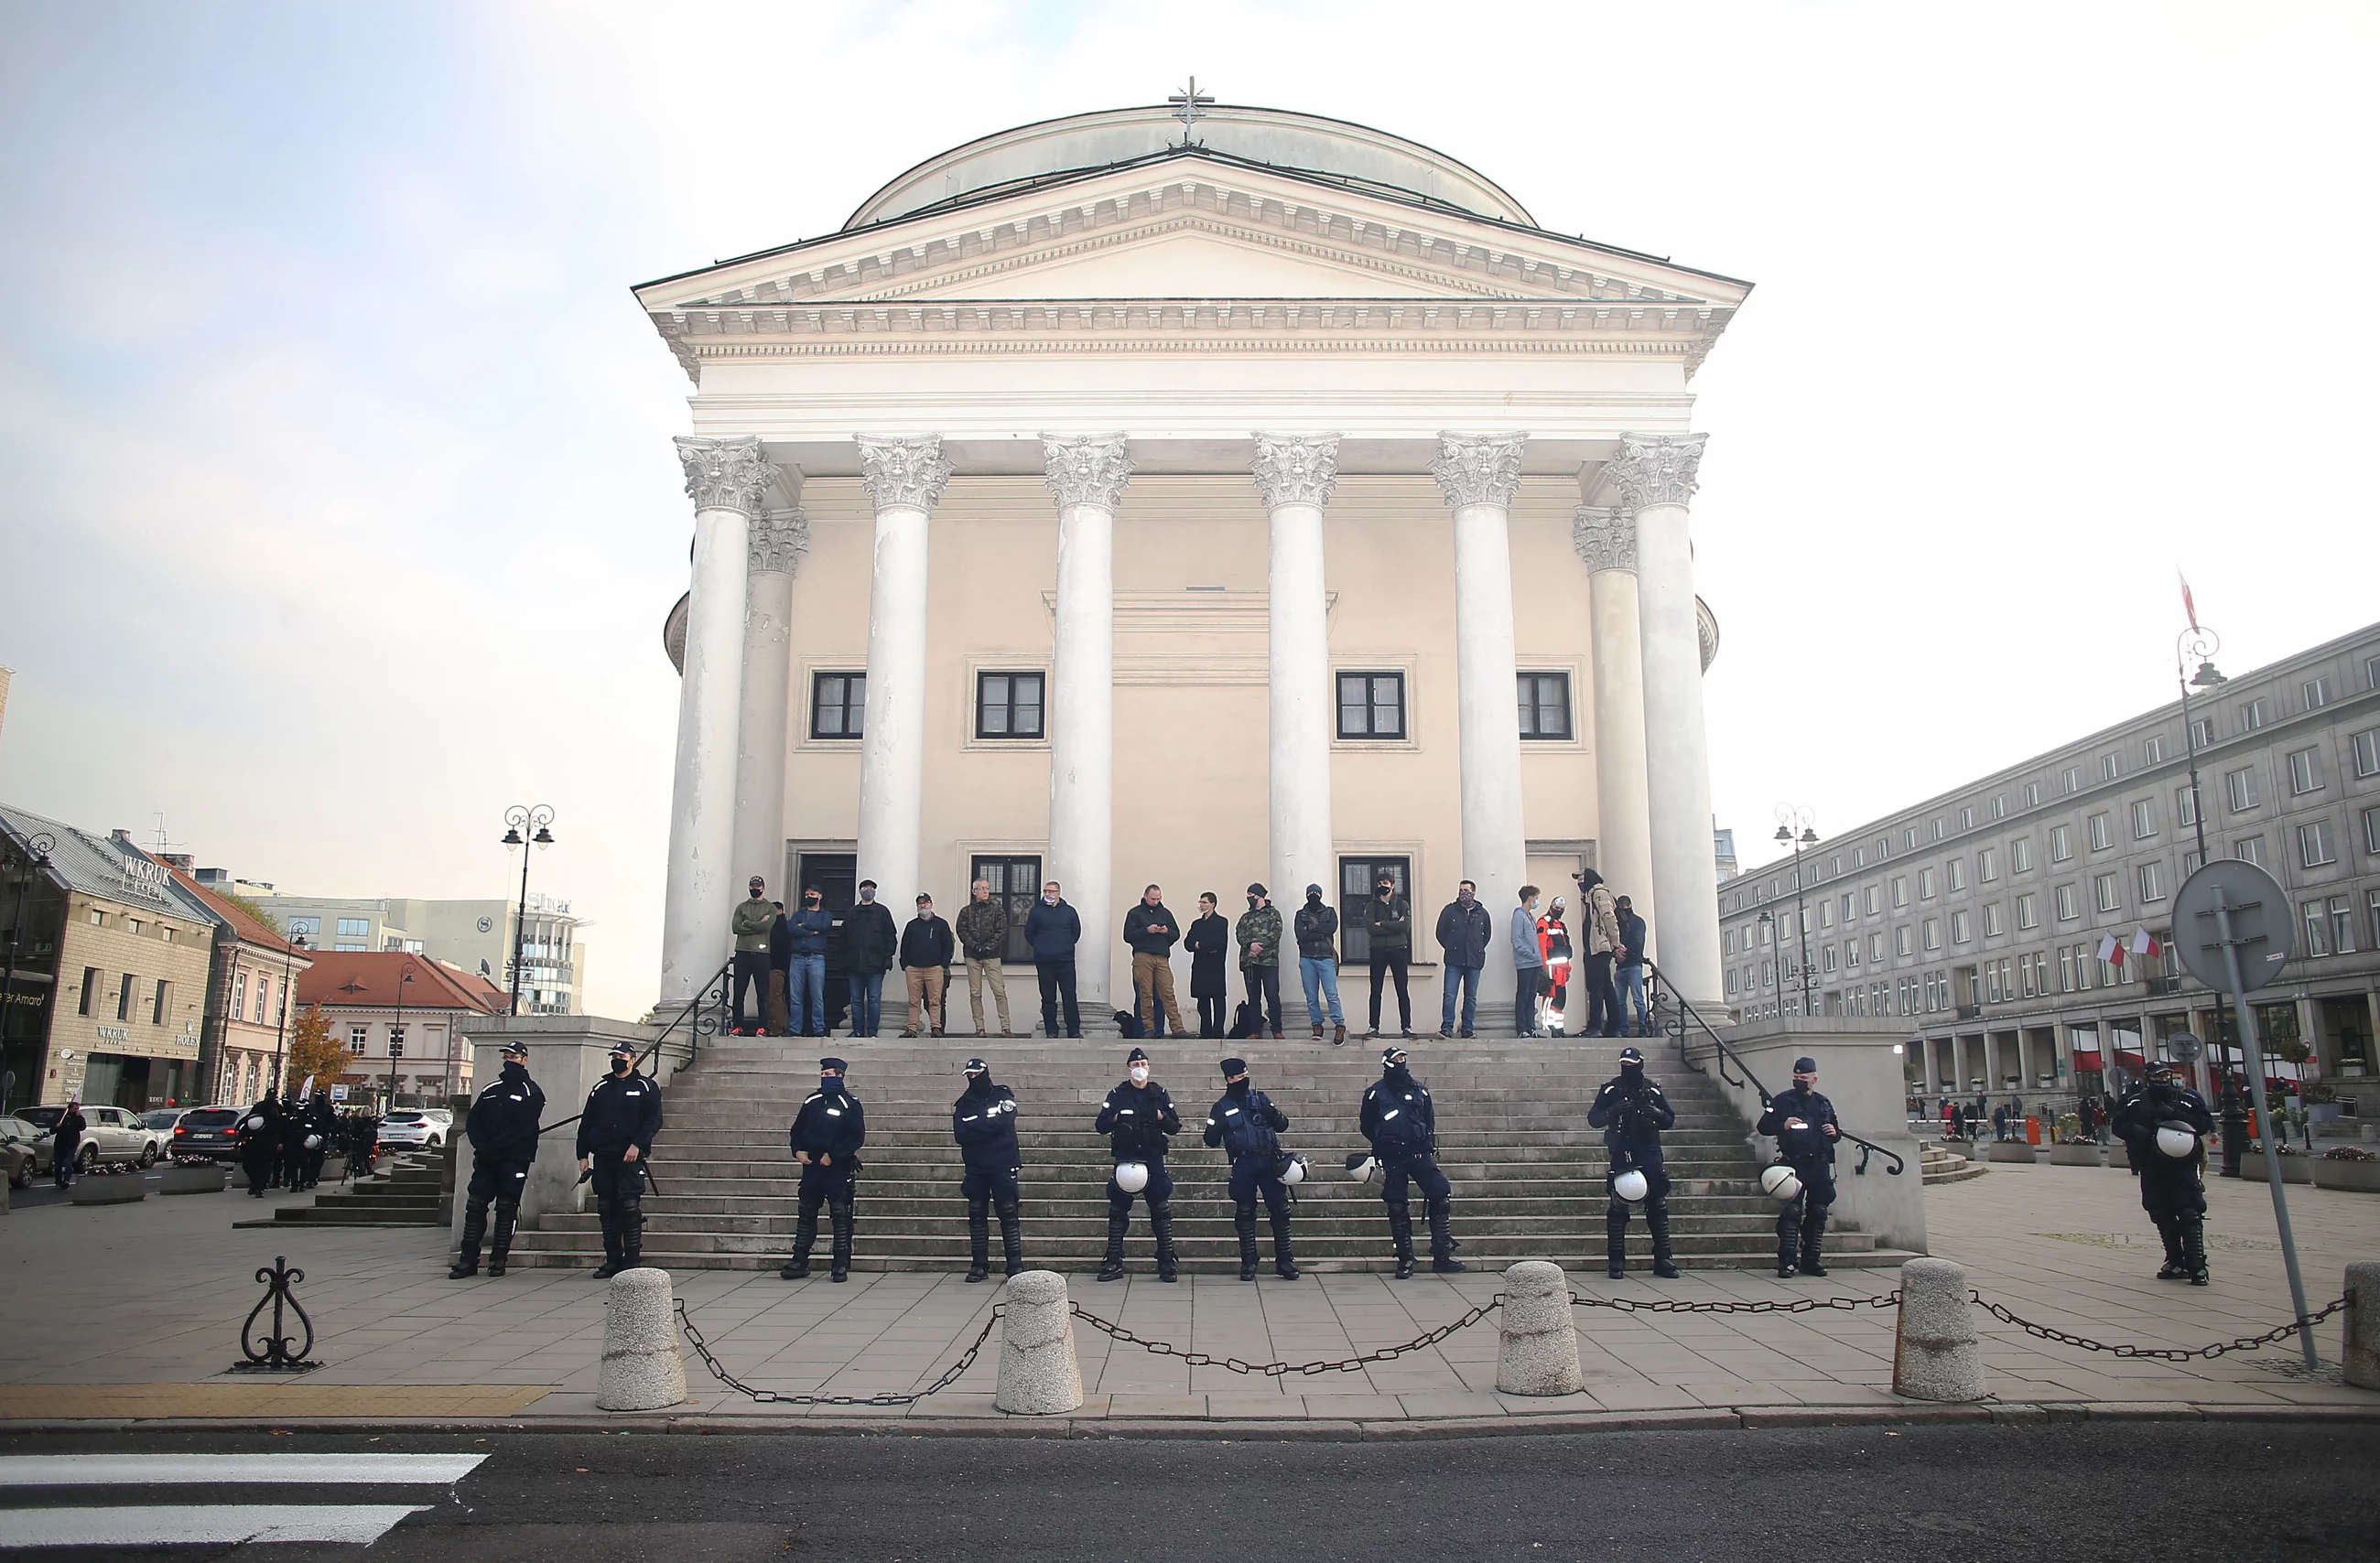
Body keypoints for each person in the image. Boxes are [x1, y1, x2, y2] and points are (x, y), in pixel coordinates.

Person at [1359, 1044, 1464, 1277]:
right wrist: (1383, 1143)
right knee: (1397, 1205)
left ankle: (1442, 1254)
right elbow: (1366, 1125)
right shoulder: (1375, 1094)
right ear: (1387, 1063)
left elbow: (1429, 1120)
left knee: (1440, 1194)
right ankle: (1406, 1259)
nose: (1401, 1062)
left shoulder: (1420, 1091)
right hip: (1392, 1156)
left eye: (1403, 1058)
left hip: (1419, 1155)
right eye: (1397, 1059)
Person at [2114, 1061, 2215, 1284]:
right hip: (2152, 1164)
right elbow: (2118, 1124)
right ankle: (2175, 1260)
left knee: (2189, 1212)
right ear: (2149, 1077)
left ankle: (2197, 1265)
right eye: (2158, 1076)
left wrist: (2175, 1116)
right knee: (2160, 1211)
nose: (2162, 1080)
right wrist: (2135, 1131)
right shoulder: (2136, 1101)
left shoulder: (2187, 1099)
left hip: (2183, 1164)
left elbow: (2204, 1123)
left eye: (2166, 1076)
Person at [450, 1039, 545, 1278]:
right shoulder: (491, 1089)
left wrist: (495, 1146)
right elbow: (474, 1120)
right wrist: (481, 1145)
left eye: (513, 1057)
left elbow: (523, 1127)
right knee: (475, 1206)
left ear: (524, 1060)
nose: (509, 1061)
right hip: (486, 1158)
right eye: (506, 1057)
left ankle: (498, 1260)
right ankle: (467, 1260)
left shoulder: (531, 1092)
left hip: (514, 1158)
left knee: (506, 1208)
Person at [1587, 1046, 1678, 1278]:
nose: (1627, 1068)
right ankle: (1616, 1260)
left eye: (1631, 1064)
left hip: (1649, 1148)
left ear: (1640, 1064)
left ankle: (1663, 1258)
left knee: (1657, 1204)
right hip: (1623, 1149)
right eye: (1624, 1064)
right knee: (1619, 1205)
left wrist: (1656, 1113)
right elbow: (1594, 1118)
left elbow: (1669, 1119)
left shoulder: (1652, 1090)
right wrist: (1613, 1111)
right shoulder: (1611, 1090)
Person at [576, 1041, 663, 1279]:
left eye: (621, 1055)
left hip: (630, 1156)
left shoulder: (646, 1086)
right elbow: (587, 1123)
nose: (617, 1059)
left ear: (632, 1059)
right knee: (606, 1208)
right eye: (613, 1055)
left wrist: (638, 1144)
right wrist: (582, 1155)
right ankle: (612, 1259)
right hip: (604, 1155)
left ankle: (632, 1260)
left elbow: (653, 1120)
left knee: (628, 1206)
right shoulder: (601, 1088)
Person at [1205, 1057, 1296, 1280]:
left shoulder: (1260, 1099)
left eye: (1247, 1076)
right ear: (1229, 1079)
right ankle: (1249, 1261)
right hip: (1243, 1163)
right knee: (1245, 1212)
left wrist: (1271, 1113)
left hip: (1268, 1160)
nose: (1245, 1080)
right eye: (1240, 1077)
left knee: (1280, 1210)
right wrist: (1218, 1126)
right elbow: (1210, 1139)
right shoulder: (1221, 1107)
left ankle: (1285, 1261)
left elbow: (1283, 1125)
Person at [1095, 1046, 1182, 1281]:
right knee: (1118, 1210)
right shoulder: (1117, 1094)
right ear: (1128, 1069)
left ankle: (1166, 1261)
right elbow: (1100, 1125)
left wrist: (1162, 1117)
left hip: (1152, 1156)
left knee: (1160, 1209)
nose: (1140, 1069)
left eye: (1143, 1065)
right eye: (1135, 1066)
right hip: (1126, 1156)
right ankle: (1113, 1260)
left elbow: (1175, 1126)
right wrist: (1115, 1118)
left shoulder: (1159, 1093)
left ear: (1149, 1068)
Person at [781, 1056, 865, 1281]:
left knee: (839, 1214)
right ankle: (799, 1260)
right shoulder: (812, 1100)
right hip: (812, 1165)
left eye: (828, 1075)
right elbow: (797, 1130)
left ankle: (839, 1264)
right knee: (807, 1211)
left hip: (836, 1166)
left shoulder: (850, 1103)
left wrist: (834, 1155)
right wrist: (797, 1150)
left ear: (840, 1076)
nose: (823, 1077)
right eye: (822, 1074)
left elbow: (856, 1136)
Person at [1757, 1057, 1842, 1278]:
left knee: (1819, 1210)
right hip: (1793, 1164)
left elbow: (1835, 1130)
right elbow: (1763, 1126)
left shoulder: (1823, 1103)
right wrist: (1783, 1125)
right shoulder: (1783, 1101)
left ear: (1814, 1079)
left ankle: (1811, 1259)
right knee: (1792, 1211)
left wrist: (1835, 1133)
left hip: (1819, 1164)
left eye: (1803, 1078)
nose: (1799, 1081)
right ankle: (1787, 1261)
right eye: (1796, 1078)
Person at [951, 1057, 1023, 1282]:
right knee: (976, 1215)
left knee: (1008, 1213)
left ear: (985, 1072)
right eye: (969, 1075)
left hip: (1002, 1163)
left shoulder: (1002, 1095)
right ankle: (979, 1265)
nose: (973, 1078)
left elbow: (1005, 1122)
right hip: (976, 1166)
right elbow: (960, 1135)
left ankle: (1015, 1265)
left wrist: (977, 1127)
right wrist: (987, 1128)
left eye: (976, 1074)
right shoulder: (964, 1103)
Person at [1123, 885, 1187, 1039]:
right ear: (1145, 896)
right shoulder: (1135, 913)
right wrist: (1146, 930)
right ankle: (1148, 1028)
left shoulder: (1165, 913)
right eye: (1153, 898)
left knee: (1167, 993)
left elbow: (1176, 933)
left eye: (1158, 898)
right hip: (1143, 956)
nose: (1156, 901)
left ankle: (1177, 1028)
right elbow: (1128, 935)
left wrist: (1166, 931)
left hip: (1162, 956)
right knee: (1145, 994)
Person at [954, 879, 1014, 1038]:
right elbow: (961, 930)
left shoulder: (997, 909)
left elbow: (1001, 930)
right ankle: (979, 1028)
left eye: (987, 888)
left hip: (992, 956)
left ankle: (1006, 1027)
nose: (985, 891)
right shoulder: (966, 911)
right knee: (975, 993)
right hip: (972, 956)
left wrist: (989, 947)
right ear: (974, 892)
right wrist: (975, 946)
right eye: (981, 889)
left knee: (999, 991)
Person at [1024, 880, 1083, 1038]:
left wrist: (1066, 946)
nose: (1048, 895)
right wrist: (1040, 946)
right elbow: (1029, 933)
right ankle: (1051, 1030)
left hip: (1065, 961)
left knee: (1069, 995)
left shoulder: (1069, 912)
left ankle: (1074, 1030)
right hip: (1044, 961)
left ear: (1058, 893)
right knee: (1048, 997)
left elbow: (1076, 932)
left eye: (1051, 892)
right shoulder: (1036, 912)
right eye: (1045, 891)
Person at [1433, 880, 1490, 1039]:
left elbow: (1486, 935)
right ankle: (1447, 1028)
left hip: (1474, 960)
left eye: (1466, 890)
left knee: (1470, 996)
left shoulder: (1482, 913)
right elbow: (1440, 933)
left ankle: (1467, 1028)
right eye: (1460, 890)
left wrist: (1477, 949)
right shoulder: (1450, 911)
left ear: (1473, 892)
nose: (1463, 893)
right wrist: (1451, 946)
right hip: (1454, 959)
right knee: (1450, 995)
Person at [1573, 868, 1624, 1038]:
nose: (1579, 882)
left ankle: (1595, 1026)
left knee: (1595, 987)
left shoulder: (1599, 894)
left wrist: (1615, 945)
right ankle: (1613, 1027)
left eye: (1581, 878)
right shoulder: (1590, 896)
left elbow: (1609, 918)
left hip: (1599, 948)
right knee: (1606, 987)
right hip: (1597, 947)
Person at [1364, 874, 1415, 1040]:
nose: (1382, 886)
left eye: (1385, 883)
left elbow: (1405, 926)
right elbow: (1371, 929)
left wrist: (1384, 924)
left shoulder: (1401, 904)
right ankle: (1373, 1027)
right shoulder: (1372, 906)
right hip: (1378, 950)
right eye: (1380, 883)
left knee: (1402, 989)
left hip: (1398, 950)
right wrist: (1394, 926)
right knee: (1376, 990)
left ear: (1392, 885)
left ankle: (1406, 1026)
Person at [1293, 884, 1346, 1045]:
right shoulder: (1300, 914)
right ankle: (1317, 1025)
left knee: (1331, 994)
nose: (1313, 895)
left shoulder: (1329, 912)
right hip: (1307, 957)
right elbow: (1300, 934)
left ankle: (1339, 1025)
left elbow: (1332, 928)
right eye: (1310, 893)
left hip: (1325, 957)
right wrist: (1320, 932)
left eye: (1316, 893)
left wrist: (1312, 928)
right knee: (1311, 996)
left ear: (1321, 895)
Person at [898, 893, 955, 1038]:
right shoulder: (912, 925)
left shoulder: (941, 924)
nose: (923, 906)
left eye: (926, 903)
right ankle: (912, 1028)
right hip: (914, 969)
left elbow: (948, 946)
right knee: (913, 1001)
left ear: (931, 904)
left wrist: (943, 965)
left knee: (935, 1000)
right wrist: (906, 965)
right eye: (920, 903)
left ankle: (936, 1027)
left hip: (934, 968)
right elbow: (905, 946)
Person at [1235, 885, 1284, 1039]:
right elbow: (1239, 933)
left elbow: (1276, 933)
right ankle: (1255, 1031)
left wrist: (1259, 947)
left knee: (1272, 995)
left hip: (1268, 962)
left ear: (1258, 896)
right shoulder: (1246, 917)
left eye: (1250, 894)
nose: (1248, 897)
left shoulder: (1273, 914)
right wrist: (1250, 945)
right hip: (1250, 962)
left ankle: (1277, 1029)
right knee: (1253, 998)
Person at [730, 875, 776, 1036]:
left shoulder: (770, 907)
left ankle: (763, 1026)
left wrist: (747, 923)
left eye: (758, 886)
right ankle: (737, 1026)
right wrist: (757, 925)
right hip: (742, 953)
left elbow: (767, 926)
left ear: (763, 888)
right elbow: (735, 927)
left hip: (762, 954)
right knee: (738, 992)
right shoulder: (741, 907)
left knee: (762, 993)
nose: (755, 888)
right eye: (752, 886)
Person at [784, 886, 832, 1038]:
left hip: (816, 957)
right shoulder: (799, 913)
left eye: (812, 894)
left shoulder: (825, 914)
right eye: (807, 894)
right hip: (797, 957)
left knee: (817, 996)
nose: (809, 896)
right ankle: (795, 1029)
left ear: (820, 896)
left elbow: (824, 927)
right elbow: (791, 929)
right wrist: (813, 932)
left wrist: (804, 926)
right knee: (795, 997)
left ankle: (818, 1028)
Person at [1184, 892, 1230, 1038]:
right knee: (1202, 1000)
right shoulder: (1197, 924)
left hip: (1215, 966)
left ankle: (1218, 1031)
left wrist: (1201, 945)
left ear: (1212, 904)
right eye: (1201, 902)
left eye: (1204, 902)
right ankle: (1206, 1031)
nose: (1202, 905)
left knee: (1218, 999)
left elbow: (1219, 943)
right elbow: (1188, 943)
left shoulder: (1221, 922)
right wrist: (1200, 946)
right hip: (1200, 966)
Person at [1510, 885, 1546, 1038]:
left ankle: (1532, 1027)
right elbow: (1516, 940)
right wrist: (1531, 955)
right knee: (1523, 995)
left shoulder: (1531, 917)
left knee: (1532, 995)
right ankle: (1522, 1028)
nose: (1537, 901)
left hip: (1535, 963)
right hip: (1525, 963)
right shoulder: (1519, 916)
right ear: (1530, 898)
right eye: (1536, 898)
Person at [1613, 895, 1650, 1037]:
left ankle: (1639, 1028)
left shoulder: (1635, 922)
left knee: (1634, 1000)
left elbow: (1637, 942)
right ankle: (1635, 1029)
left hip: (1631, 964)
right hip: (1629, 964)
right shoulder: (1635, 922)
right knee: (1629, 1000)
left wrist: (1620, 954)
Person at [1538, 896, 1573, 1033]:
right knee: (1550, 998)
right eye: (1556, 908)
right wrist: (1544, 966)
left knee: (1560, 1001)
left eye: (1561, 909)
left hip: (1562, 970)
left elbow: (1565, 947)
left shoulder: (1561, 925)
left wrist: (1568, 968)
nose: (1558, 911)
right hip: (1551, 968)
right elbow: (1542, 944)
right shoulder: (1544, 922)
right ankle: (1548, 1028)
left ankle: (1559, 1029)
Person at [235, 1091, 277, 1197]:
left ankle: (260, 1187)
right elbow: (248, 1120)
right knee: (248, 1165)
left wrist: (280, 1141)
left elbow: (280, 1126)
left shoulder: (277, 1109)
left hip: (268, 1141)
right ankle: (254, 1183)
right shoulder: (259, 1107)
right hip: (254, 1141)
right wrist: (240, 1135)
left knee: (265, 1166)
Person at [298, 1090, 337, 1190]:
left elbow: (333, 1123)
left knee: (317, 1159)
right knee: (311, 1159)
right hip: (311, 1135)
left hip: (321, 1135)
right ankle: (309, 1178)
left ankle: (312, 1178)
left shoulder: (328, 1109)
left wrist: (332, 1134)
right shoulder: (311, 1108)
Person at [765, 900, 792, 1038]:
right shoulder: (782, 925)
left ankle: (777, 1028)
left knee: (774, 997)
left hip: (777, 966)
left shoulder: (780, 926)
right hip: (779, 966)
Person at [51, 1097, 86, 1189]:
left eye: (78, 1109)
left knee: (68, 1162)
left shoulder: (78, 1119)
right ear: (70, 1109)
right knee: (58, 1165)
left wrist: (80, 1117)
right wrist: (56, 1127)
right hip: (60, 1144)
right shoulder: (62, 1118)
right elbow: (52, 1131)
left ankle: (66, 1181)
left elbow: (82, 1127)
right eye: (75, 1109)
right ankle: (58, 1182)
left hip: (71, 1144)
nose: (76, 1111)